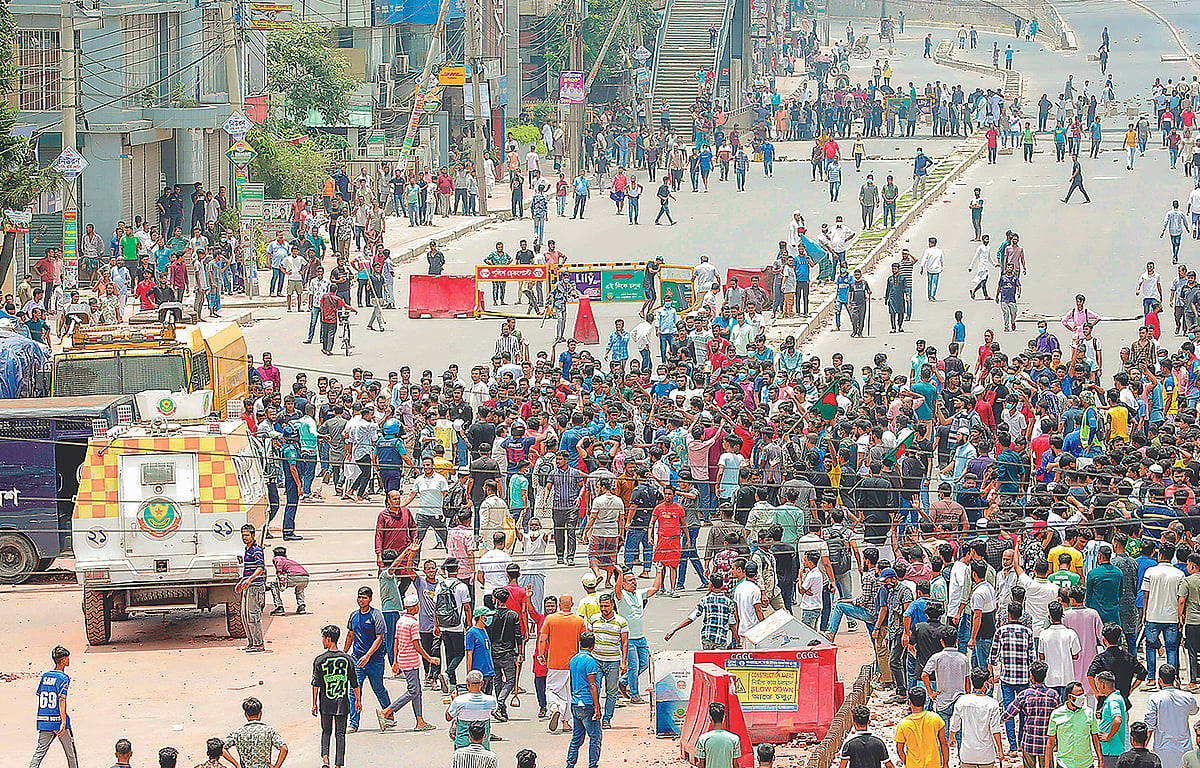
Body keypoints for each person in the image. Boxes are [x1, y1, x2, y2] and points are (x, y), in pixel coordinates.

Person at [377, 593, 439, 732]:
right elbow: (416, 644)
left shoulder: (401, 621)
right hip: (410, 661)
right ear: (415, 607)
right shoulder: (413, 623)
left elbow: (396, 641)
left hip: (403, 660)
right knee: (413, 690)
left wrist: (395, 661)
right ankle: (387, 712)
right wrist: (429, 658)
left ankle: (420, 721)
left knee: (417, 691)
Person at [345, 586, 391, 733]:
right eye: (359, 597)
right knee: (354, 691)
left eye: (364, 598)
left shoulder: (376, 615)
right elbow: (350, 635)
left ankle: (389, 715)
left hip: (374, 660)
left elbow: (380, 638)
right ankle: (353, 723)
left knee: (378, 688)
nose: (361, 600)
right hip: (357, 660)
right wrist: (343, 653)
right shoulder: (353, 615)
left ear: (370, 599)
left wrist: (368, 655)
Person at [312, 625, 359, 768]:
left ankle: (325, 758)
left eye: (323, 638)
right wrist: (358, 700)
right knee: (340, 734)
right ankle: (338, 764)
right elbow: (354, 682)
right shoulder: (347, 659)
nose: (322, 641)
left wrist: (314, 703)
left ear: (328, 639)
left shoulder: (320, 660)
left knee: (326, 731)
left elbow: (316, 684)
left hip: (326, 702)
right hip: (342, 703)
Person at [29, 646, 78, 768]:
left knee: (39, 752)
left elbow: (39, 694)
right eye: (68, 658)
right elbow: (62, 699)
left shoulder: (45, 676)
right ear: (63, 660)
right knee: (70, 754)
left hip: (44, 720)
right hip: (58, 720)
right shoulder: (64, 678)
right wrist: (63, 721)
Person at [1145, 665, 1198, 768]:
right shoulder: (1187, 696)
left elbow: (1150, 726)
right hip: (1184, 748)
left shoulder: (1154, 698)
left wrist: (1143, 747)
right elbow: (1194, 711)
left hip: (1162, 750)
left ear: (1159, 680)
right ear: (1175, 678)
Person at [950, 668, 1004, 768]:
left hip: (967, 754)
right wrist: (1000, 750)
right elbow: (995, 730)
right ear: (985, 684)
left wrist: (951, 737)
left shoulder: (962, 701)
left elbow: (954, 725)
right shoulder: (992, 704)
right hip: (986, 754)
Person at [564, 632, 603, 768]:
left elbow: (571, 682)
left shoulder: (573, 660)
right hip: (587, 704)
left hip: (576, 703)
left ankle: (570, 764)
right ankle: (593, 764)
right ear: (593, 645)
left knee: (577, 737)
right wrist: (597, 707)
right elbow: (592, 684)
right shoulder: (590, 661)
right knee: (595, 737)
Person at [1045, 681, 1103, 768]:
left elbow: (1095, 738)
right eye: (1079, 695)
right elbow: (1050, 742)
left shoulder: (1089, 713)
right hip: (1064, 764)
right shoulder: (1056, 714)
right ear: (1070, 697)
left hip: (1086, 764)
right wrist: (1047, 765)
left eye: (1083, 694)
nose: (1082, 697)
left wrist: (1100, 761)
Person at [222, 697, 288, 768]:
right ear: (260, 713)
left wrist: (237, 765)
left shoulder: (238, 733)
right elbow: (284, 749)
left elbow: (222, 748)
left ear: (246, 714)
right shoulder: (269, 731)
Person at [894, 687, 948, 768]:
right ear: (925, 702)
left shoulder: (903, 724)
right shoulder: (935, 718)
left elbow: (899, 749)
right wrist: (945, 764)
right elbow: (944, 743)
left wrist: (907, 763)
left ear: (910, 702)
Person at [236, 524, 267, 653]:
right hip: (248, 587)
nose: (244, 537)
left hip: (255, 588)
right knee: (245, 616)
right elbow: (248, 569)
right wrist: (242, 581)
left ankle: (259, 644)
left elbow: (260, 568)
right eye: (243, 535)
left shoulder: (256, 550)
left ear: (253, 535)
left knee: (253, 616)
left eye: (247, 535)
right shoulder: (247, 549)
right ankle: (251, 643)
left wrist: (249, 580)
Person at [696, 702, 743, 768]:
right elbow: (735, 764)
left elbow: (702, 765)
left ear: (710, 719)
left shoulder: (703, 739)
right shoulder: (734, 739)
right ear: (724, 717)